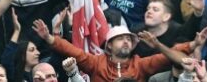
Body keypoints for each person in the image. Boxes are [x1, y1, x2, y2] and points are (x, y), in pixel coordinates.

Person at [33, 21, 195, 82]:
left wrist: (193, 44)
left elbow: (166, 56)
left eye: (128, 39)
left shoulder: (140, 64)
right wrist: (49, 38)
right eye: (120, 39)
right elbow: (73, 51)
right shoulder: (96, 63)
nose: (126, 41)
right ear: (109, 45)